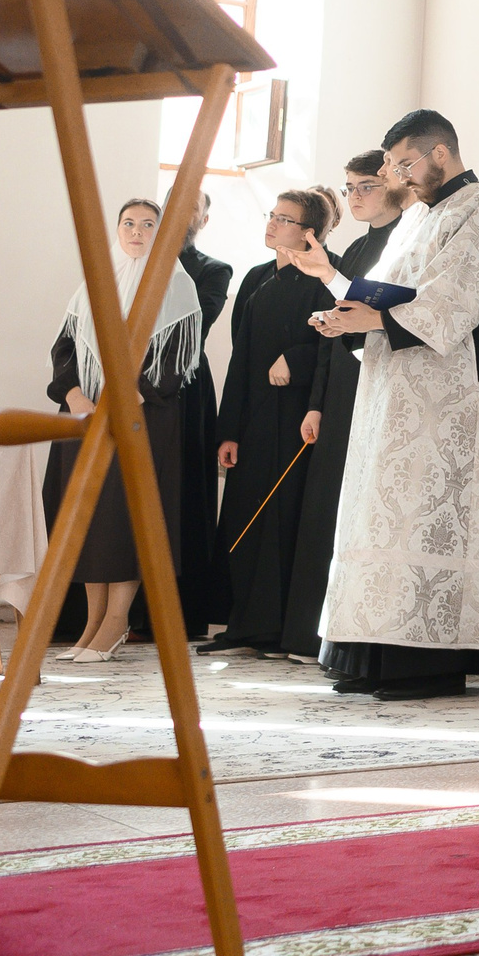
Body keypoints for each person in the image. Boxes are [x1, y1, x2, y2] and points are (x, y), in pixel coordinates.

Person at [295, 110, 479, 701]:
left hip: (457, 405)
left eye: (405, 163)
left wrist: (373, 316)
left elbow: (457, 302)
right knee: (382, 517)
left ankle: (423, 664)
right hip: (398, 394)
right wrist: (334, 291)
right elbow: (379, 293)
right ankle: (370, 656)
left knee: (431, 523)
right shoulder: (417, 220)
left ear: (440, 153)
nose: (400, 176)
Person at [43, 198, 200, 661]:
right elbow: (65, 348)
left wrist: (125, 395)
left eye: (148, 224)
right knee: (89, 517)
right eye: (128, 223)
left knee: (125, 517)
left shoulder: (176, 285)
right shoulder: (96, 282)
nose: (137, 232)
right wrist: (75, 397)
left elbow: (176, 360)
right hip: (85, 416)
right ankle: (93, 621)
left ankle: (116, 622)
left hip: (140, 418)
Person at [279, 152, 412, 662]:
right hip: (338, 394)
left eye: (366, 186)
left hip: (378, 389)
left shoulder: (405, 240)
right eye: (350, 187)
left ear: (393, 187)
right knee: (324, 511)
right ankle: (312, 633)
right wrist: (315, 405)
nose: (354, 196)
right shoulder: (356, 247)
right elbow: (335, 334)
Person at [200, 188, 339, 656]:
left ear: (309, 233)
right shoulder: (258, 276)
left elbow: (331, 346)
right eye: (272, 215)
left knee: (284, 519)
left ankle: (280, 627)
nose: (272, 224)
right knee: (242, 514)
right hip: (255, 416)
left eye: (284, 218)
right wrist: (229, 430)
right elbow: (241, 358)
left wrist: (294, 360)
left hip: (298, 415)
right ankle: (244, 624)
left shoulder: (327, 276)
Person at [170, 194, 232, 641]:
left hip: (185, 387)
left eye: (192, 206)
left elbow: (198, 321)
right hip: (123, 379)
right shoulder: (127, 260)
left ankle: (176, 614)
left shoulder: (213, 269)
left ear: (203, 219)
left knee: (180, 495)